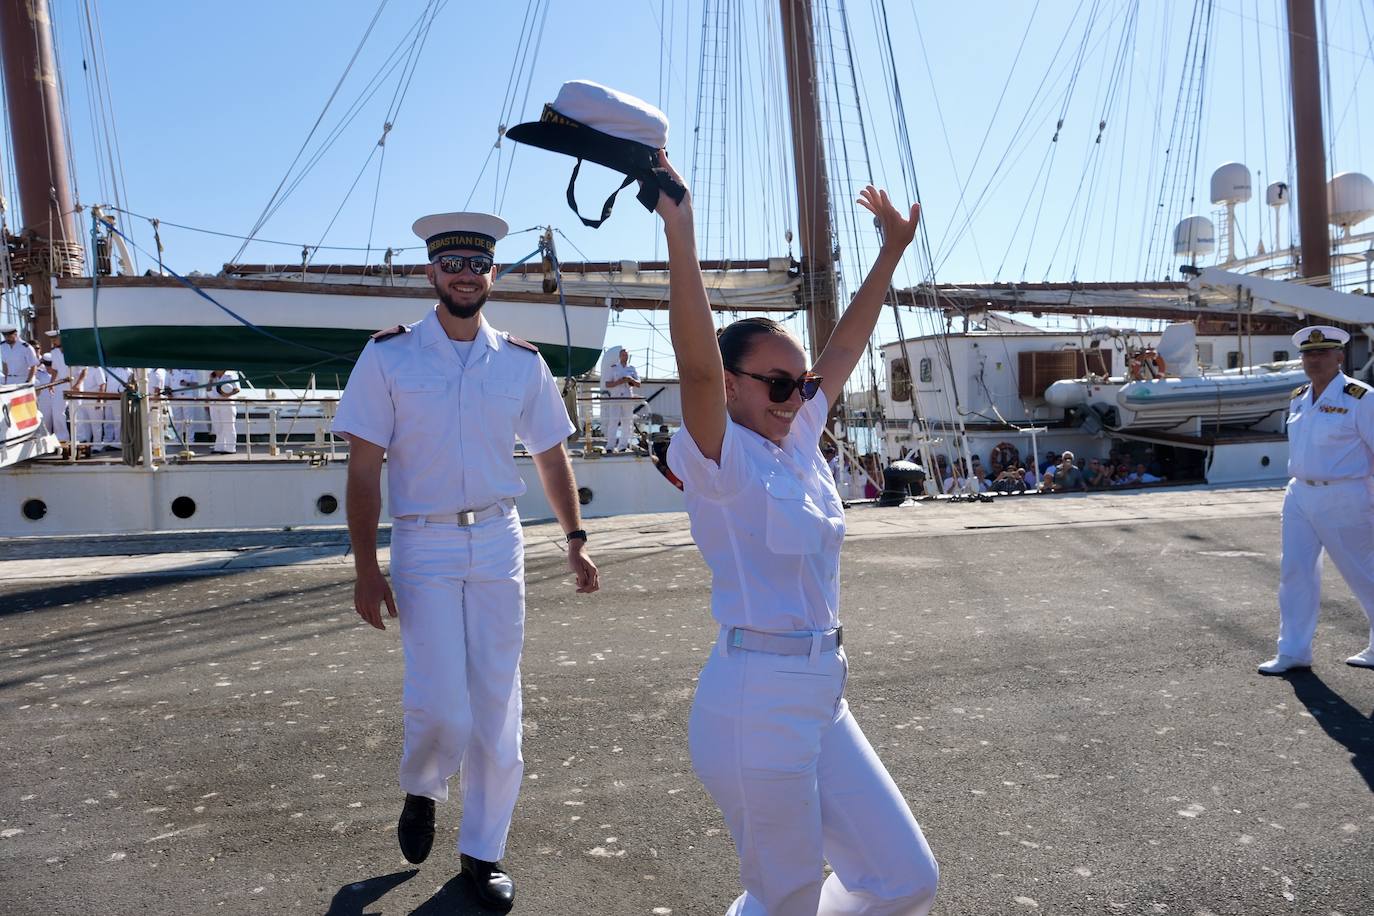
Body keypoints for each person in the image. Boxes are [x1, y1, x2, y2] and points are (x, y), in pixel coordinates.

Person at [659, 156, 938, 916]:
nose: (795, 394)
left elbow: (844, 349)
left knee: (907, 878)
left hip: (823, 688)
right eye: (777, 383)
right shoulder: (719, 455)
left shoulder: (796, 430)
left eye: (798, 382)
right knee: (782, 900)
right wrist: (679, 232)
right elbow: (693, 366)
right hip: (755, 700)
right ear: (733, 385)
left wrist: (890, 253)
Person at [332, 211, 599, 909]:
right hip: (422, 542)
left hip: (498, 539)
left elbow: (549, 452)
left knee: (497, 704)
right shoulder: (388, 356)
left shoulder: (520, 362)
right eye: (452, 265)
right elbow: (364, 470)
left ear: (490, 275)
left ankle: (483, 851)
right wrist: (366, 567)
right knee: (442, 703)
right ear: (431, 273)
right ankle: (422, 785)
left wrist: (575, 539)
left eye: (477, 266)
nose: (465, 276)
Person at [1258, 325, 1374, 675]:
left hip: (1345, 493)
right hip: (1299, 494)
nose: (1314, 359)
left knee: (1363, 573)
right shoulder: (1298, 396)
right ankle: (1293, 650)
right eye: (1308, 353)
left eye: (1322, 352)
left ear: (1340, 357)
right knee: (1295, 573)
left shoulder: (1361, 397)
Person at [602, 346, 641, 452]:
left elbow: (638, 384)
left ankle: (623, 446)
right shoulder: (613, 368)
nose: (625, 357)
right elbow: (607, 384)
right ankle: (610, 446)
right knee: (613, 422)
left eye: (626, 355)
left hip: (628, 398)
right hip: (616, 398)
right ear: (619, 356)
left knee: (627, 422)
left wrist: (630, 379)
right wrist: (619, 381)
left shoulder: (632, 368)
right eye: (623, 355)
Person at [207, 369, 240, 454]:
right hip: (214, 404)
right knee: (217, 426)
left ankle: (230, 448)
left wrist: (227, 394)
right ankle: (219, 447)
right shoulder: (213, 378)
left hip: (226, 403)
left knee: (228, 426)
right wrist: (210, 379)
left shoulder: (230, 375)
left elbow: (237, 389)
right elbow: (208, 389)